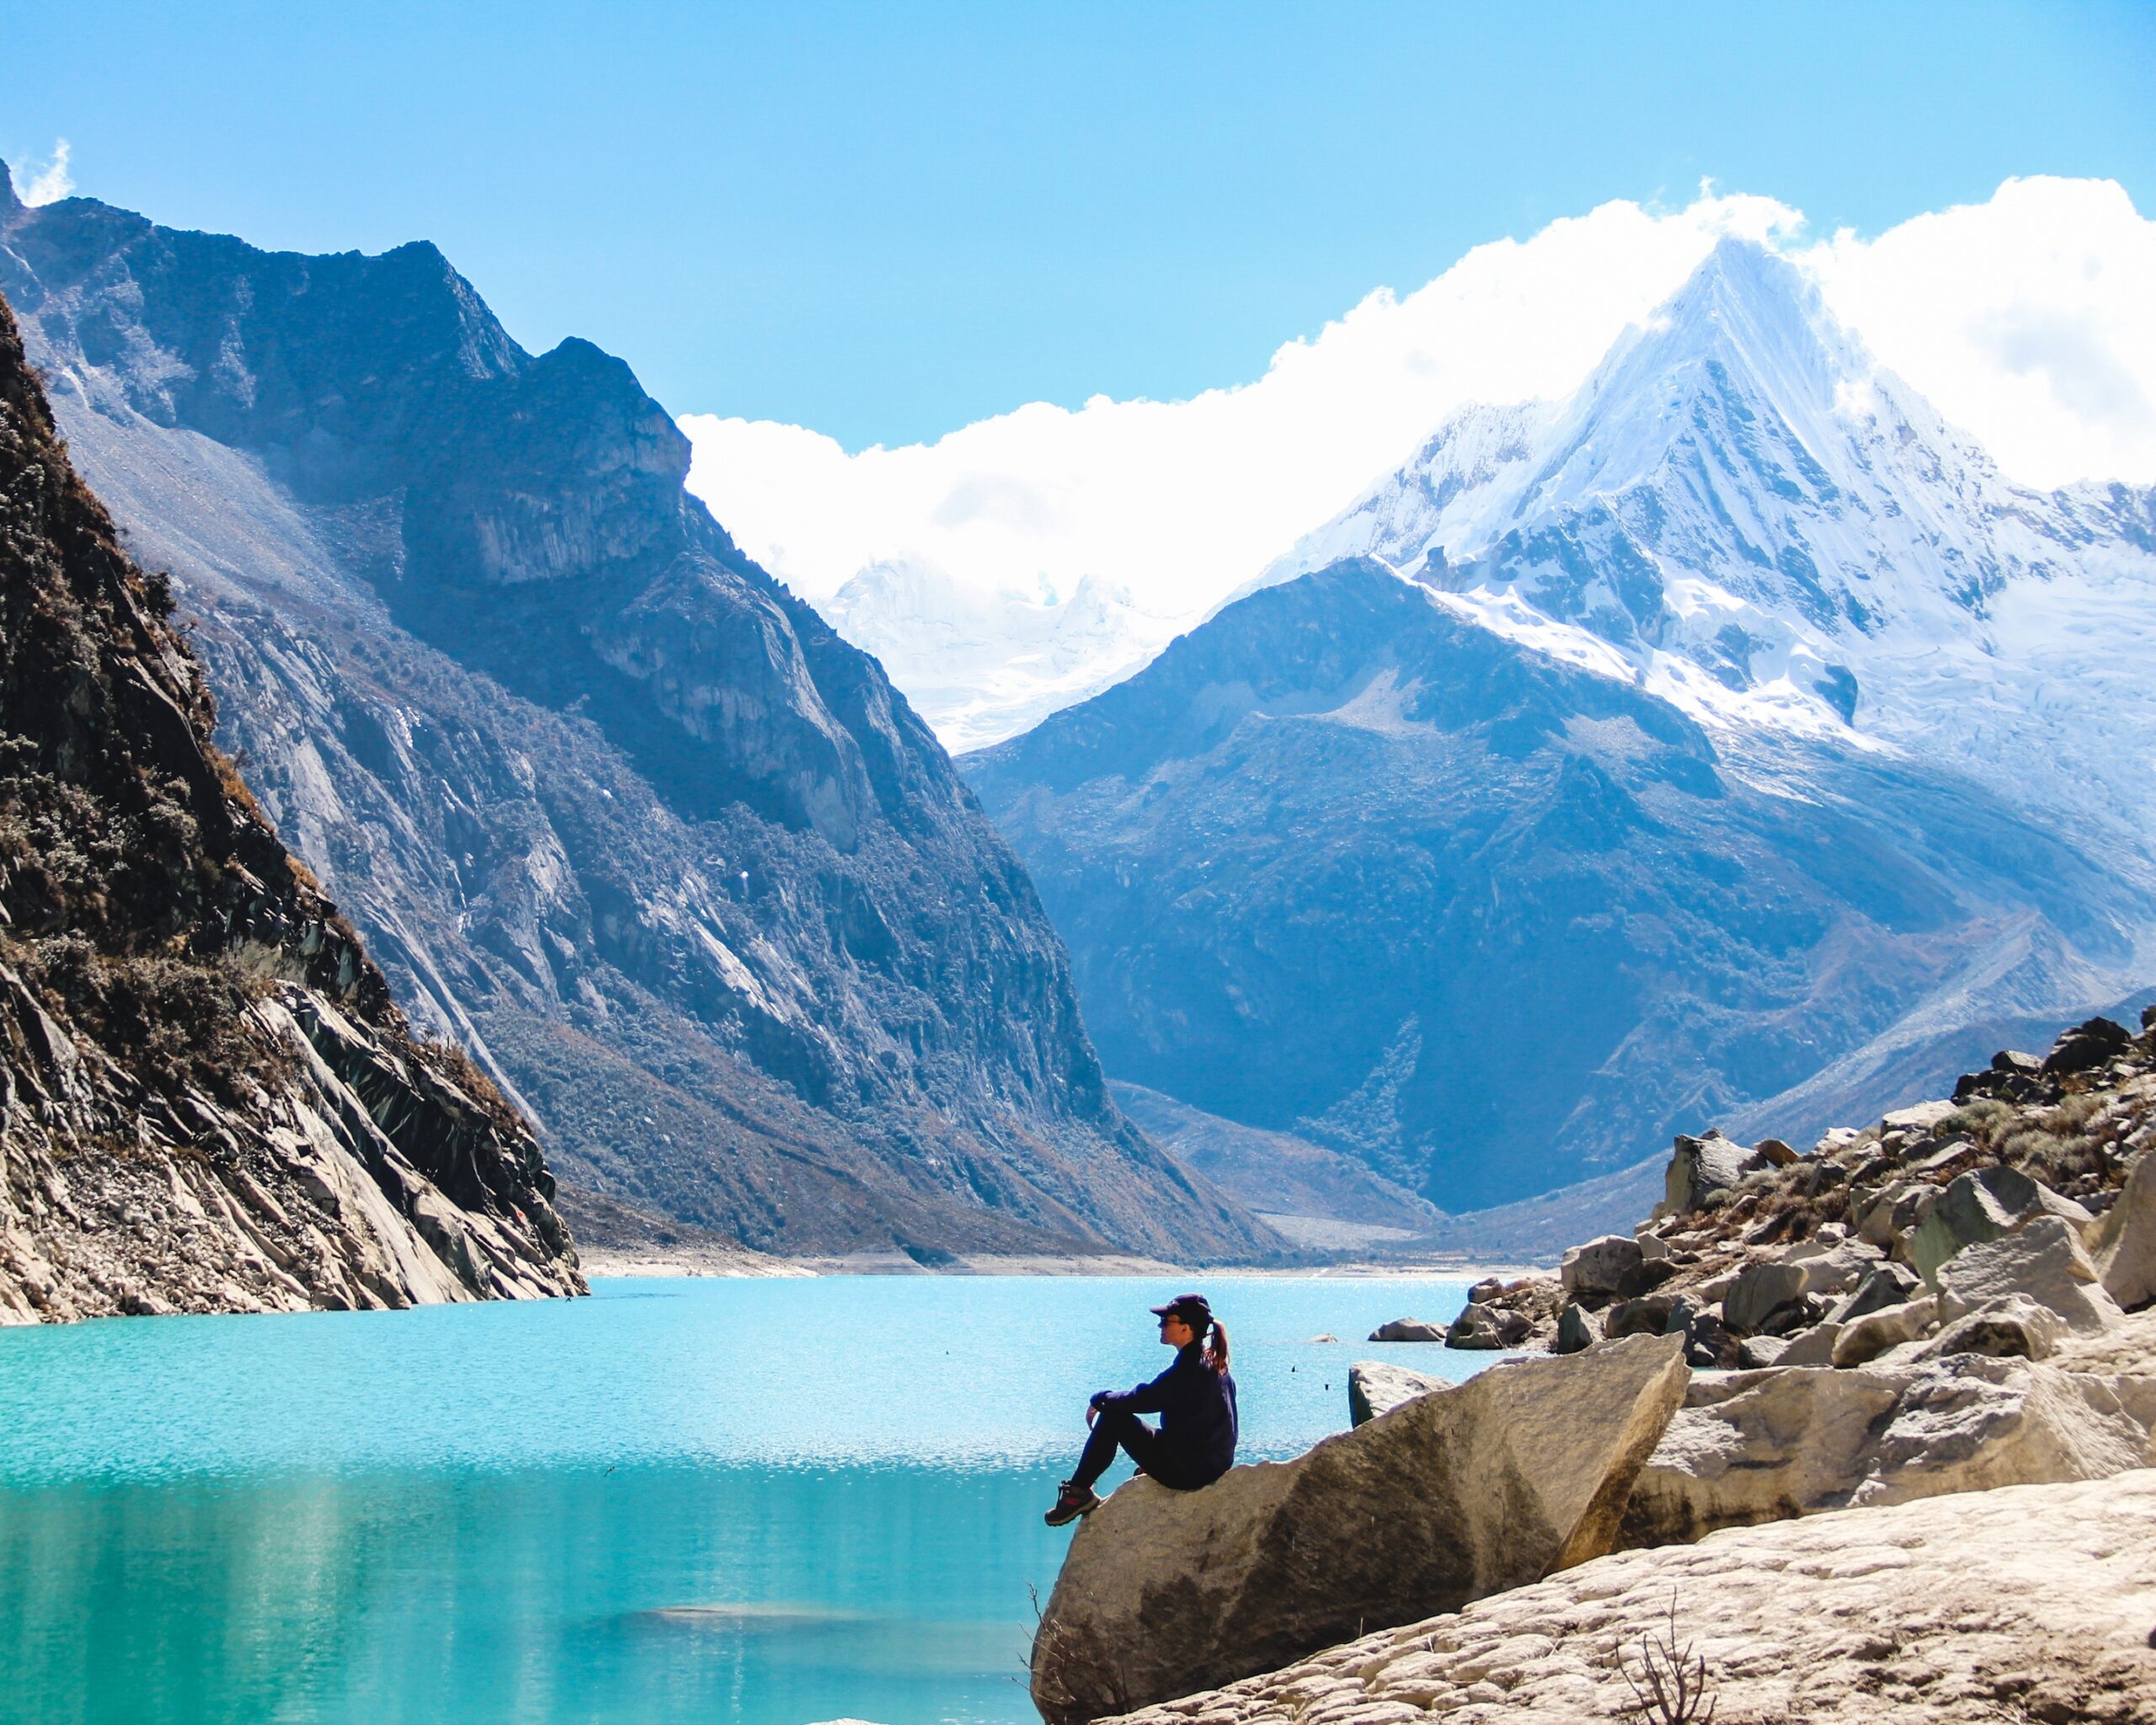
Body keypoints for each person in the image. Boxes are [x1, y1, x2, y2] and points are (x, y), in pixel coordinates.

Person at [1044, 1292, 1237, 1526]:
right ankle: (1090, 1488)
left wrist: (1100, 1398)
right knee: (1123, 1415)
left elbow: (1143, 1399)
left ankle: (1078, 1494)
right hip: (1211, 1464)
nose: (1160, 1325)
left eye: (1167, 1321)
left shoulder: (1189, 1370)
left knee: (1113, 1418)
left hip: (1191, 1472)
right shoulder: (1213, 1363)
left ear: (1186, 1328)